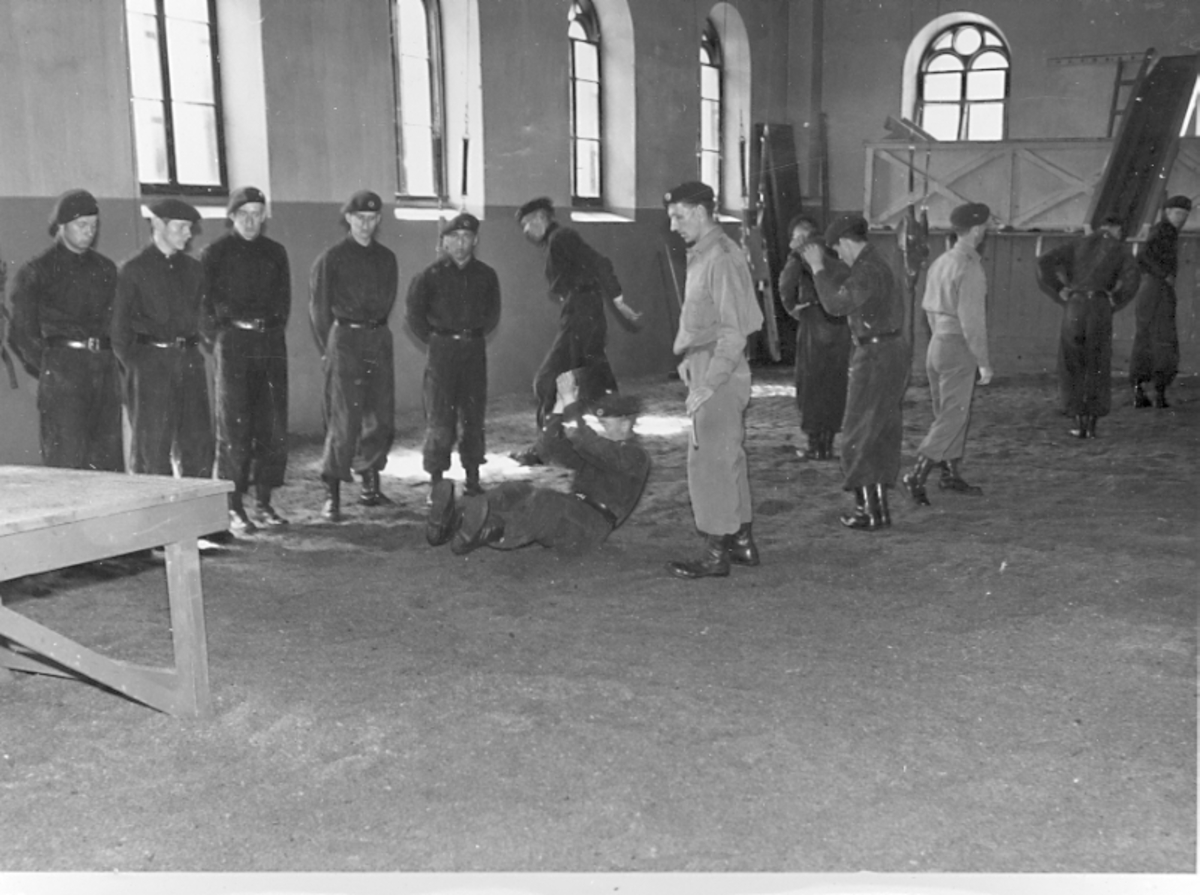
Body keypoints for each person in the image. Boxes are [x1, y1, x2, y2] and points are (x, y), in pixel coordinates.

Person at [429, 368, 650, 555]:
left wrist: (570, 402)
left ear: (625, 425)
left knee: (545, 501)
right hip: (575, 512)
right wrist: (560, 405)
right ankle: (454, 519)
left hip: (590, 527)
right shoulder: (601, 451)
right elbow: (549, 448)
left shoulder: (636, 457)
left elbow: (582, 438)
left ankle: (489, 531)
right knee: (515, 490)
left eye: (605, 423)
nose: (599, 426)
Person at [662, 181, 763, 578]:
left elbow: (733, 331)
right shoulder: (705, 255)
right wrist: (691, 357)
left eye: (678, 217)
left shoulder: (720, 258)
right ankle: (741, 542)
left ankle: (716, 552)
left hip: (720, 368)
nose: (673, 226)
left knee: (708, 460)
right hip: (707, 361)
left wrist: (710, 381)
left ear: (701, 213)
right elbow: (706, 320)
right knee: (726, 455)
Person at [513, 196, 640, 464]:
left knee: (547, 380)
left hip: (582, 314)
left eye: (526, 224)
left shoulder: (562, 237)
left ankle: (546, 448)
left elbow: (600, 262)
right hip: (583, 312)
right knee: (597, 377)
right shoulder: (557, 240)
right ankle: (621, 433)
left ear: (540, 218)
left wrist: (618, 300)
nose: (525, 231)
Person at [801, 213, 908, 531]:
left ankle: (867, 511)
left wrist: (818, 268)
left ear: (845, 242)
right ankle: (878, 510)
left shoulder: (867, 270)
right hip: (890, 351)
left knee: (858, 431)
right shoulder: (877, 264)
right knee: (881, 429)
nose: (839, 255)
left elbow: (836, 305)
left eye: (837, 249)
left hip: (875, 355)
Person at [6, 189, 123, 471]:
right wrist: (52, 367)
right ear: (61, 226)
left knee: (108, 462)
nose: (89, 231)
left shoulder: (105, 269)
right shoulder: (37, 271)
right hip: (63, 375)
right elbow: (20, 333)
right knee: (66, 461)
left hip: (104, 373)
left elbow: (116, 322)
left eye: (93, 225)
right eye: (81, 225)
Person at [201, 186, 292, 533]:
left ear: (264, 216)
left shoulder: (275, 253)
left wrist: (269, 332)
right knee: (234, 427)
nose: (251, 221)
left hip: (269, 343)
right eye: (244, 214)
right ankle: (233, 505)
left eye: (257, 214)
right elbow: (204, 305)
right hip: (234, 345)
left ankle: (264, 502)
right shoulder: (215, 253)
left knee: (271, 426)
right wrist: (221, 340)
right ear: (231, 216)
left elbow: (284, 301)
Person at [309, 190, 399, 521]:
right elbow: (319, 309)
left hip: (377, 338)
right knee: (344, 419)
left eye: (372, 218)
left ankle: (370, 485)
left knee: (381, 416)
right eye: (359, 218)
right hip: (345, 340)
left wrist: (374, 331)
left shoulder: (386, 258)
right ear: (348, 218)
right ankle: (332, 493)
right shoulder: (331, 258)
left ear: (379, 220)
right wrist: (331, 348)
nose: (365, 224)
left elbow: (388, 297)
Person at [112, 198, 213, 480]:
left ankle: (198, 509)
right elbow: (118, 332)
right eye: (181, 227)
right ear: (157, 224)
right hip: (150, 368)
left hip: (189, 364)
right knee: (152, 452)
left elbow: (202, 316)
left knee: (198, 448)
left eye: (190, 227)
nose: (188, 234)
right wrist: (140, 365)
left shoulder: (194, 270)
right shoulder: (133, 270)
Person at [902, 201, 994, 506]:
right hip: (957, 345)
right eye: (985, 226)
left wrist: (940, 339)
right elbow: (972, 321)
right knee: (953, 416)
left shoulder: (941, 262)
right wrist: (983, 362)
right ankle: (917, 474)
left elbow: (927, 309)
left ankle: (950, 473)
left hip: (937, 343)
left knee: (948, 413)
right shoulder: (970, 267)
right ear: (977, 230)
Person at [404, 212, 501, 497]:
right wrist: (438, 340)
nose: (460, 243)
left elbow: (492, 315)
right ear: (444, 241)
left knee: (473, 416)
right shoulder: (429, 276)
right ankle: (437, 481)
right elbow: (414, 316)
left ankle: (473, 477)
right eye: (454, 237)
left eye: (467, 237)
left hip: (473, 350)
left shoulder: (486, 276)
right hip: (442, 353)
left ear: (476, 240)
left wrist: (470, 335)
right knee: (440, 419)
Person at [1035, 215, 1141, 439]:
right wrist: (1117, 298)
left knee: (1072, 363)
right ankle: (1092, 424)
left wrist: (1059, 288)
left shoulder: (1076, 244)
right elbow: (1133, 278)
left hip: (1075, 305)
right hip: (1100, 306)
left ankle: (1077, 421)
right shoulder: (1120, 249)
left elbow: (1043, 261)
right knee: (1097, 363)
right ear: (1115, 228)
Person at [777, 213, 851, 461]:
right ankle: (828, 444)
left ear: (800, 235)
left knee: (811, 383)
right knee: (835, 382)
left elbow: (786, 283)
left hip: (814, 320)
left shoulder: (802, 251)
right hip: (840, 322)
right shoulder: (837, 248)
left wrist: (792, 308)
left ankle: (814, 445)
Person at [1129, 195, 1191, 410]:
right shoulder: (1165, 231)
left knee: (1145, 338)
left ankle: (1140, 389)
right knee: (1164, 339)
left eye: (1185, 215)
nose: (1181, 218)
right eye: (1178, 213)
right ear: (1167, 212)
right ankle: (1159, 392)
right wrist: (1164, 275)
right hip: (1158, 289)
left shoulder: (1162, 230)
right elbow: (1143, 256)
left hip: (1150, 289)